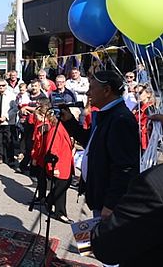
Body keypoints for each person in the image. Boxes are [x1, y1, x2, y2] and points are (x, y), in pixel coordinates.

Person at [60, 70, 140, 220]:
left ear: (107, 90)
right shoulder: (106, 114)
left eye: (92, 88)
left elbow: (124, 168)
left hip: (107, 201)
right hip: (98, 194)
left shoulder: (120, 119)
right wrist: (70, 121)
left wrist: (110, 204)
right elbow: (90, 142)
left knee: (108, 241)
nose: (88, 93)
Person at [31, 99, 75, 224]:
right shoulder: (54, 130)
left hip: (65, 162)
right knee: (60, 189)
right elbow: (52, 151)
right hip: (59, 166)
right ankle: (60, 212)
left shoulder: (59, 127)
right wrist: (52, 167)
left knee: (62, 188)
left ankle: (51, 204)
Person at [132, 85, 156, 151]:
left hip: (145, 143)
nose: (137, 95)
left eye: (140, 93)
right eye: (135, 93)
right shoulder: (137, 107)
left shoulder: (150, 109)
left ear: (148, 94)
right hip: (136, 140)